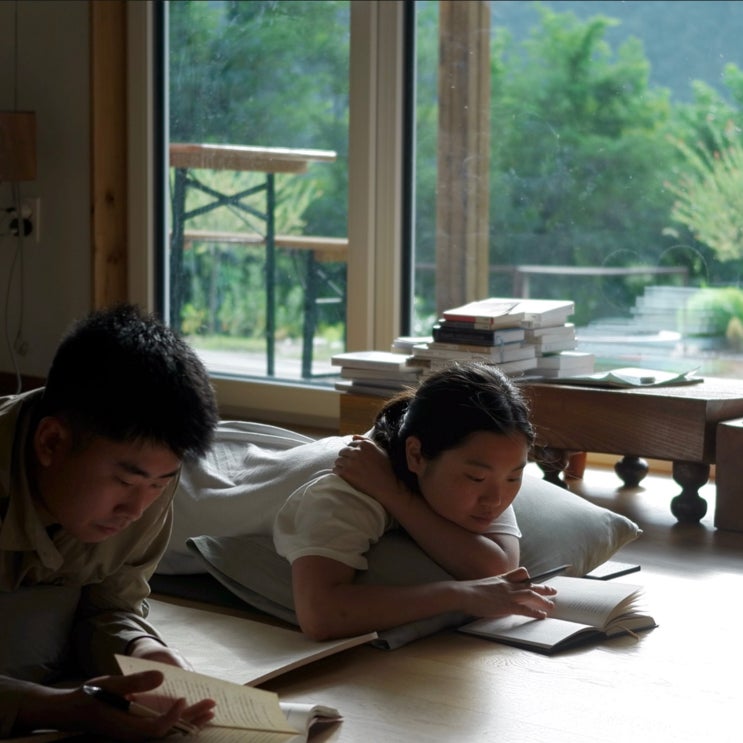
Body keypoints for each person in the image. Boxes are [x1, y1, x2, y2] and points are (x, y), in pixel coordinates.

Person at [162, 362, 557, 642]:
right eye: (476, 478)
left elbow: (498, 567)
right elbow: (322, 616)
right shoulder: (346, 492)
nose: (496, 498)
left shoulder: (476, 469)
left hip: (256, 458)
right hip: (178, 492)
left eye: (515, 476)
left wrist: (397, 497)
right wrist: (459, 595)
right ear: (416, 455)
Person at [0, 304, 219, 739]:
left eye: (159, 483)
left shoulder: (149, 483)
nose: (136, 510)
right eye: (125, 481)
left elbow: (108, 606)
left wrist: (143, 652)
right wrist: (58, 709)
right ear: (51, 442)